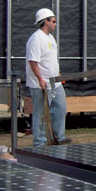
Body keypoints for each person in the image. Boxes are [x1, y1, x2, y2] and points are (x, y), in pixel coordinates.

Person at [25, 8, 70, 146]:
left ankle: (59, 138)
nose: (56, 24)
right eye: (54, 21)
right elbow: (33, 62)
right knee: (41, 113)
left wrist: (57, 73)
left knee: (60, 109)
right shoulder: (36, 39)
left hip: (55, 82)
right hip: (42, 84)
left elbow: (50, 59)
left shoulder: (50, 38)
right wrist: (40, 79)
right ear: (46, 22)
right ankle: (40, 142)